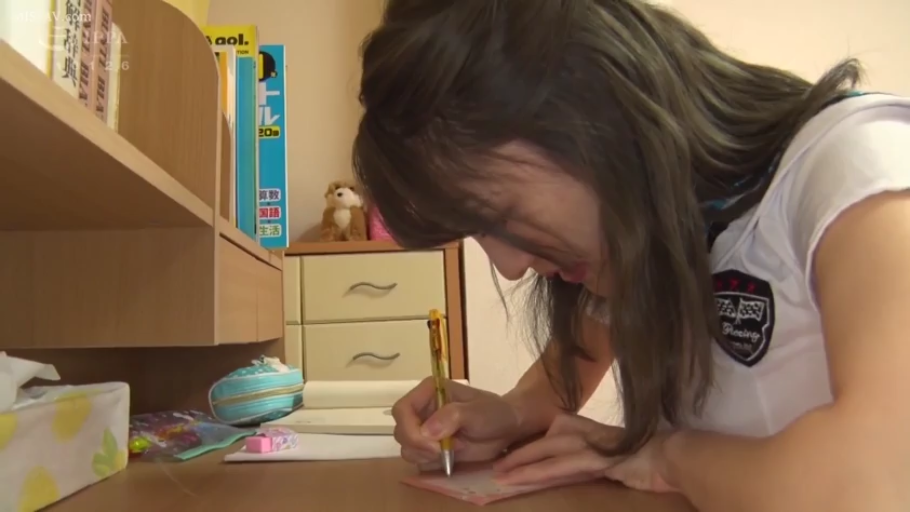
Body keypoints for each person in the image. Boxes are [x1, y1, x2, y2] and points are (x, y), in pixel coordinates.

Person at [352, 1, 910, 510]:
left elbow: (872, 484)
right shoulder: (649, 238)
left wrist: (668, 456)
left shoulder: (857, 166)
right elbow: (563, 377)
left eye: (501, 216)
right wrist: (510, 415)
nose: (510, 267)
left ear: (592, 122)